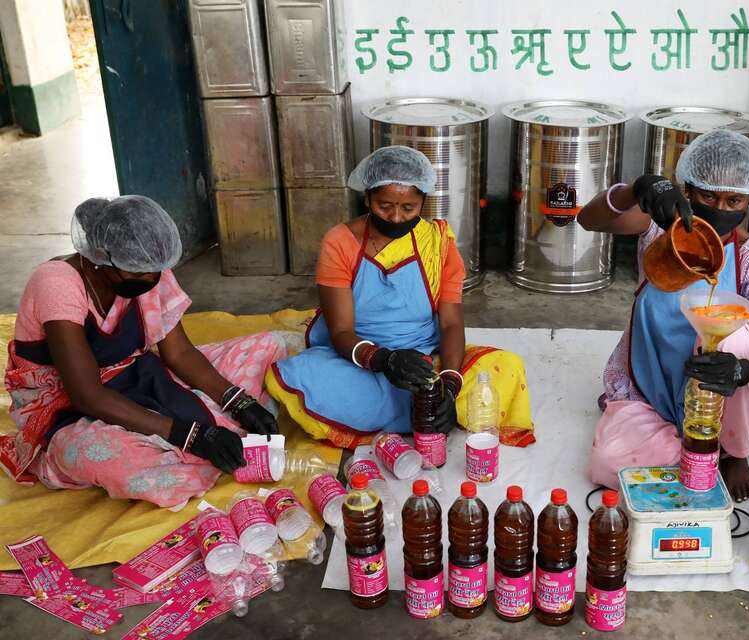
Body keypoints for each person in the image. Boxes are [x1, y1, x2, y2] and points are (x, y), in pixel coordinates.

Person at [1, 196, 287, 508]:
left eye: (155, 272)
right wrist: (190, 435)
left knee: (275, 347)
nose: (151, 281)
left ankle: (212, 437)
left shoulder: (148, 269)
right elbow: (86, 396)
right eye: (138, 274)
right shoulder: (57, 284)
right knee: (115, 461)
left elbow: (179, 353)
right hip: (68, 405)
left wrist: (238, 401)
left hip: (137, 373)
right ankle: (59, 457)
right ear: (101, 258)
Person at [266, 146, 534, 448]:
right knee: (304, 376)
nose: (395, 217)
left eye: (408, 208)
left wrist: (448, 384)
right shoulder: (339, 243)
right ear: (367, 198)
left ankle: (422, 408)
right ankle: (418, 412)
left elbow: (450, 324)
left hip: (425, 358)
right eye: (384, 206)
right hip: (361, 358)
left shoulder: (438, 244)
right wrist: (385, 359)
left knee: (506, 366)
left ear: (423, 202)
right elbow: (340, 332)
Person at [577, 129, 749, 502]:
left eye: (734, 200)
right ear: (687, 190)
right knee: (608, 464)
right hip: (651, 384)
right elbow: (589, 220)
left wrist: (740, 372)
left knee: (735, 337)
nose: (720, 209)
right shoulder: (658, 229)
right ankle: (698, 447)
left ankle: (735, 450)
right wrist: (637, 189)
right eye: (708, 196)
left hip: (717, 392)